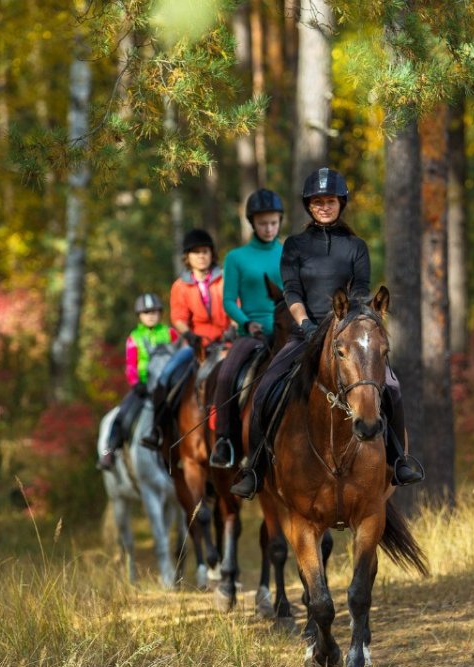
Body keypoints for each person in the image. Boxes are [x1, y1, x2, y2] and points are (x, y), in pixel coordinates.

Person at [229, 167, 424, 499]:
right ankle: (256, 467)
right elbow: (291, 292)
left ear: (340, 203)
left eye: (330, 201)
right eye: (317, 201)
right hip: (303, 333)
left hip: (345, 332)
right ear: (308, 205)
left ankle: (398, 459)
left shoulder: (356, 246)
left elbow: (360, 293)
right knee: (265, 388)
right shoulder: (294, 245)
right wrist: (304, 324)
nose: (323, 206)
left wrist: (344, 327)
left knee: (390, 385)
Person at [209, 189, 285, 469]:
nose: (269, 228)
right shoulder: (236, 257)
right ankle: (224, 441)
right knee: (227, 375)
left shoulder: (288, 252)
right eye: (263, 223)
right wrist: (245, 322)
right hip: (251, 333)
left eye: (274, 222)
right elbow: (228, 300)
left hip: (286, 333)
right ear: (253, 223)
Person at [142, 228, 230, 448]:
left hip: (226, 342)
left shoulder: (225, 279)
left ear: (212, 254)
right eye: (196, 252)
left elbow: (235, 306)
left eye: (205, 251)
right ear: (187, 257)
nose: (201, 256)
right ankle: (157, 431)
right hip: (195, 345)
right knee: (166, 375)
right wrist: (189, 335)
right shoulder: (180, 286)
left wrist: (233, 328)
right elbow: (178, 318)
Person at [97, 292, 178, 470]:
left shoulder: (170, 334)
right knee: (122, 416)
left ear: (160, 313)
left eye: (154, 312)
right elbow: (131, 365)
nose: (150, 316)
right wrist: (136, 383)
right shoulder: (134, 338)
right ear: (140, 316)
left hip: (169, 387)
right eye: (146, 312)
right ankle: (108, 452)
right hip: (144, 388)